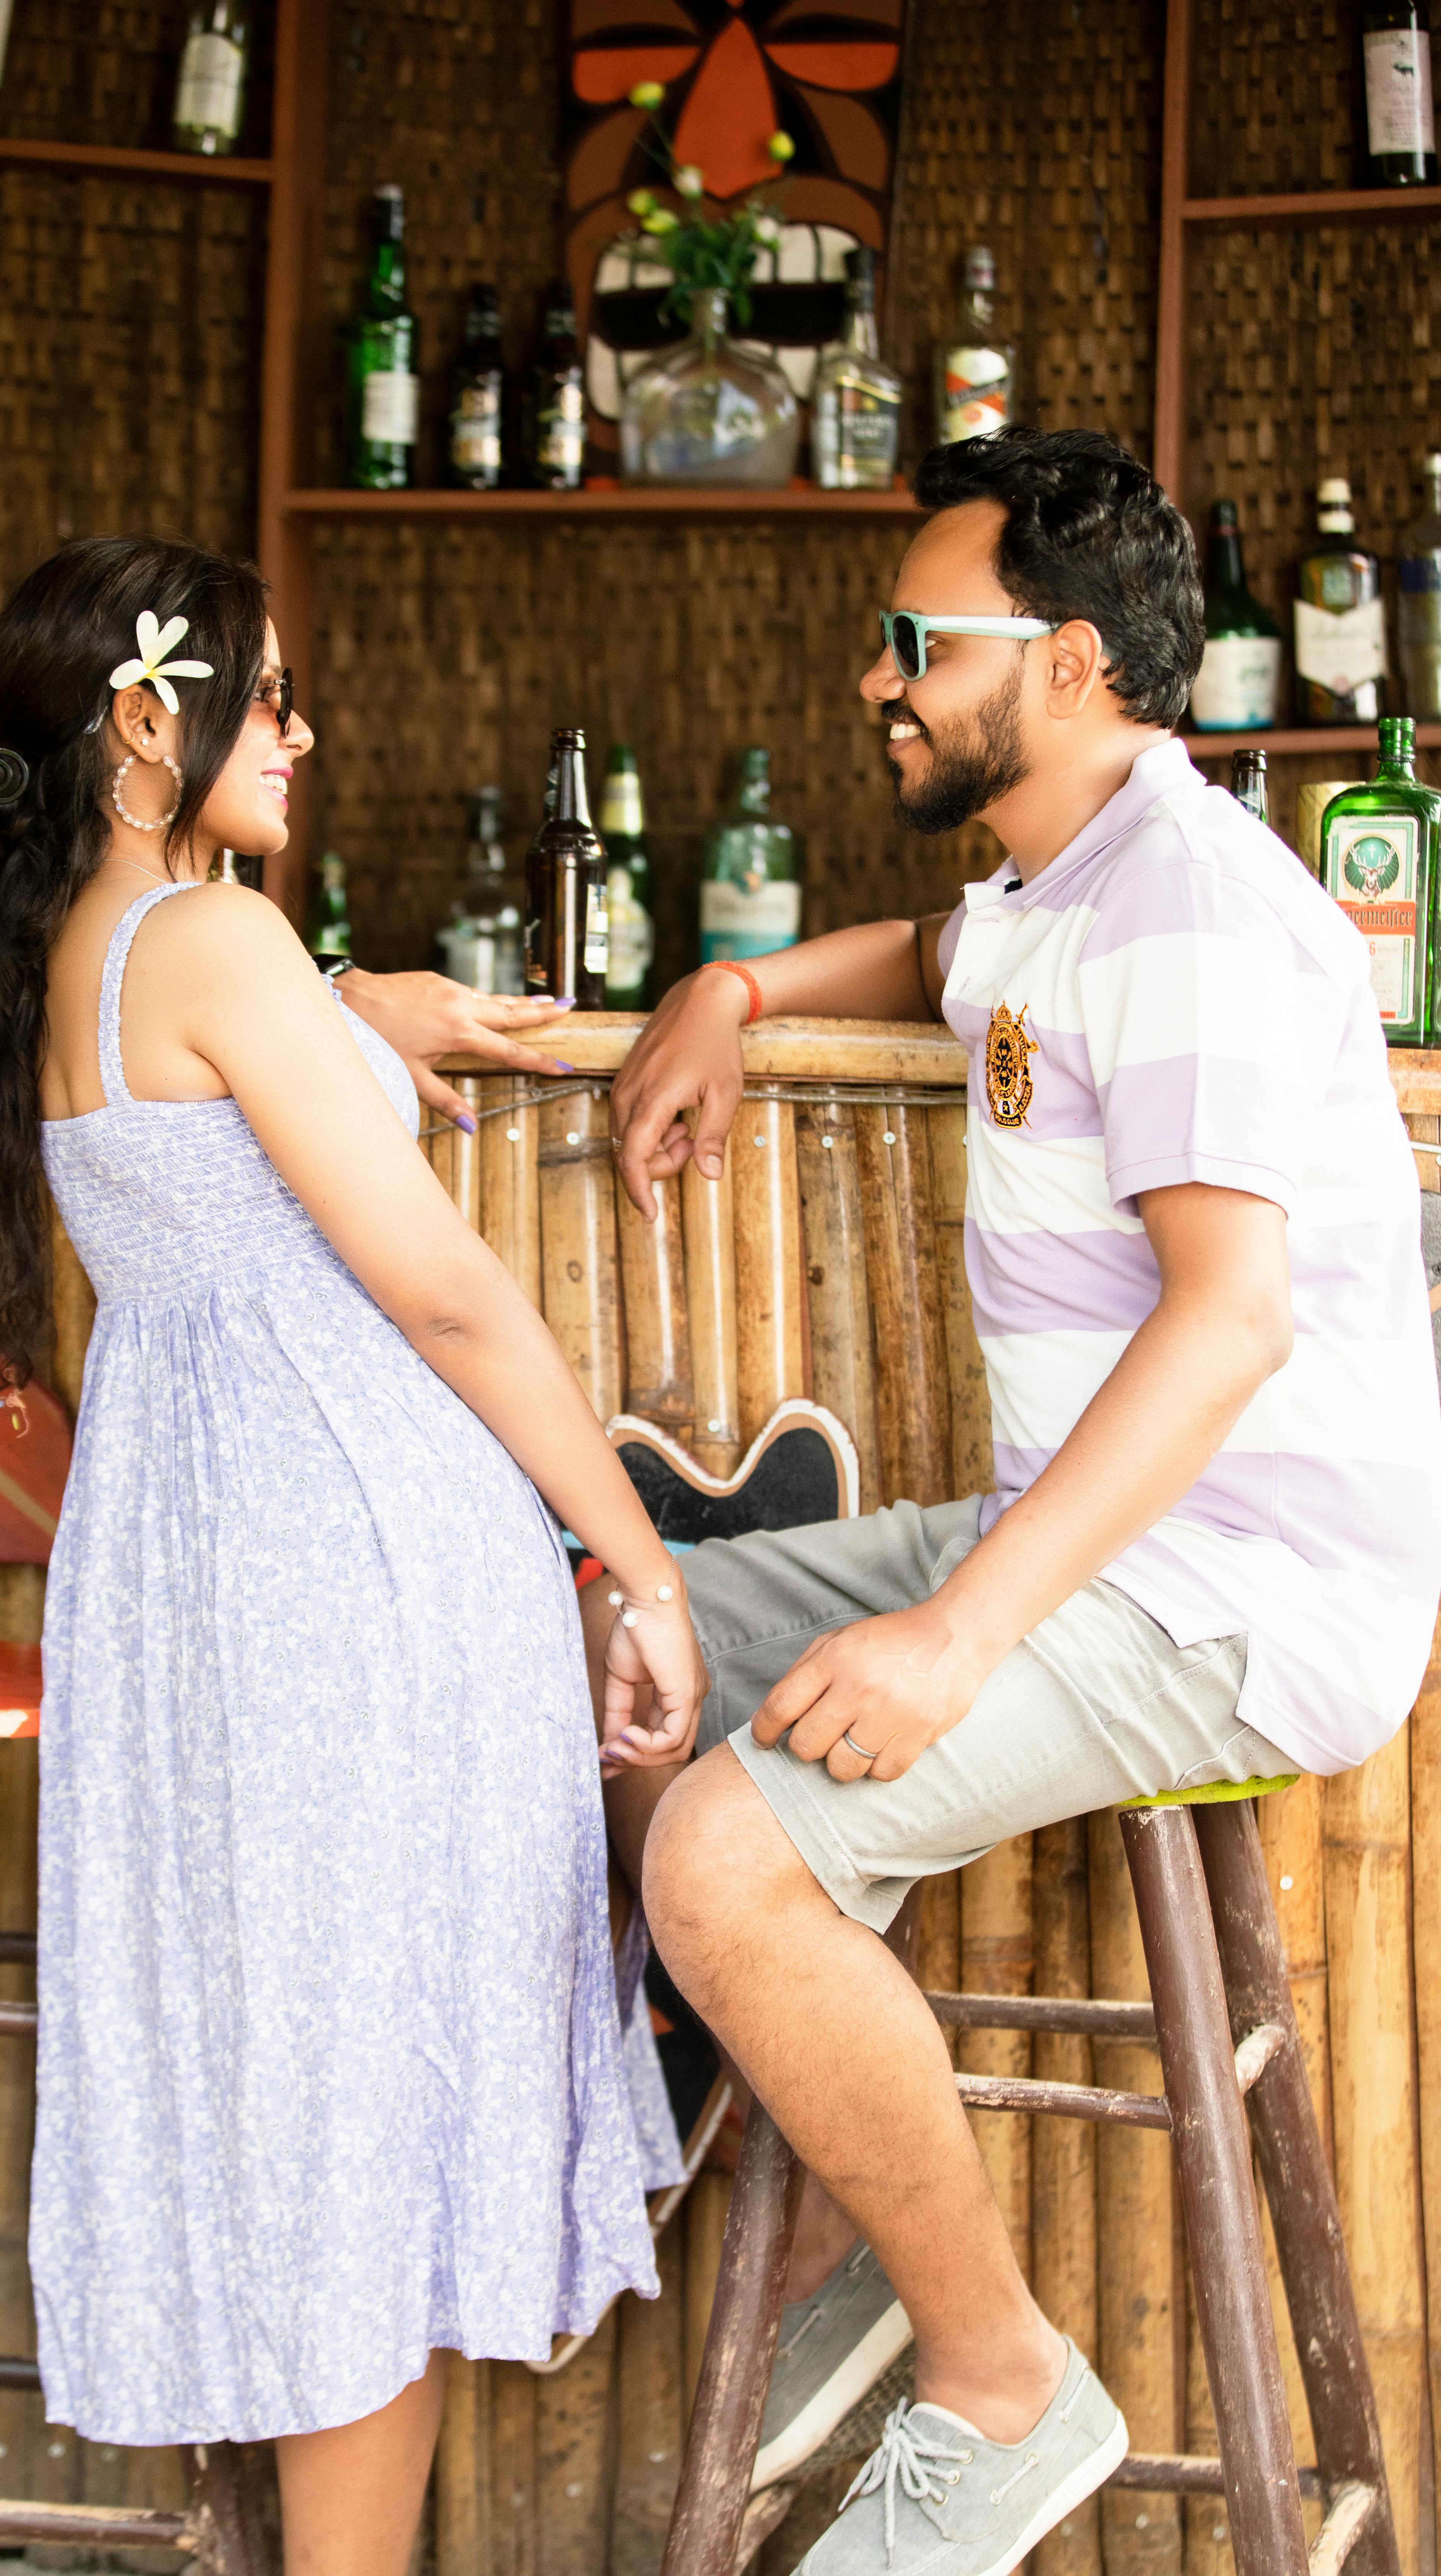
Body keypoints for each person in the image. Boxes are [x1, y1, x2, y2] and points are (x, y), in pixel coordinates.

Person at [594, 426, 1441, 2574]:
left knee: (716, 1842)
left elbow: (1231, 1320)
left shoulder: (1196, 911)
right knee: (596, 1654)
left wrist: (956, 1634)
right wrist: (738, 983)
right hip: (1093, 1536)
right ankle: (889, 2224)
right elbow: (931, 954)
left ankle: (998, 2375)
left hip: (1242, 1590)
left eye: (916, 642)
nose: (877, 676)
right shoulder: (1057, 885)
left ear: (1063, 667)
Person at [0, 534, 708, 2576]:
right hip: (349, 1572)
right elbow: (440, 1292)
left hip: (198, 1579)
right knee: (372, 2107)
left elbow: (215, 1104)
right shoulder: (211, 942)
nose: (307, 728)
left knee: (311, 2096)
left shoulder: (79, 948)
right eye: (268, 698)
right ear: (149, 724)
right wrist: (636, 1557)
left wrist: (352, 1002)